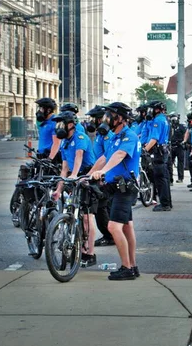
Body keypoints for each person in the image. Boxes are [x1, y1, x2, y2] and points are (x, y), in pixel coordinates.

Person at [91, 102, 141, 280]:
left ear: (120, 118)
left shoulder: (129, 136)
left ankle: (126, 268)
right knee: (127, 227)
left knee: (113, 226)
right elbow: (105, 157)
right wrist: (87, 175)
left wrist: (103, 172)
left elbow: (119, 156)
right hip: (116, 187)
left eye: (110, 115)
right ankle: (133, 266)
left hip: (125, 188)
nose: (106, 119)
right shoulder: (114, 136)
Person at [50, 111, 97, 267]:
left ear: (70, 124)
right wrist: (58, 189)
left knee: (87, 217)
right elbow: (64, 168)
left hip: (87, 176)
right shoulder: (64, 142)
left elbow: (79, 157)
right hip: (73, 177)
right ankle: (76, 244)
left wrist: (76, 174)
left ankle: (89, 253)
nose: (58, 127)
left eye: (61, 123)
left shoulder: (80, 137)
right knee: (71, 210)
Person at [85, 105, 115, 247]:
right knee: (103, 207)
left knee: (102, 207)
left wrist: (99, 173)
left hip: (104, 175)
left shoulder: (107, 135)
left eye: (94, 119)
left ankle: (109, 236)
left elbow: (107, 156)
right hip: (99, 173)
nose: (91, 121)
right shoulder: (100, 134)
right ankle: (110, 234)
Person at [143, 101, 172, 211]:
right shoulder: (163, 119)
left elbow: (154, 138)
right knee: (164, 177)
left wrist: (145, 150)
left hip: (158, 151)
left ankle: (164, 204)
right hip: (162, 150)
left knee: (160, 178)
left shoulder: (158, 120)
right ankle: (167, 202)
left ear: (157, 109)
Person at [168, 113, 186, 184]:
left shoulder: (181, 127)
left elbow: (185, 134)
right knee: (170, 163)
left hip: (179, 146)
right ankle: (170, 179)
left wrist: (184, 142)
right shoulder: (169, 127)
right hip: (171, 146)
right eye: (172, 119)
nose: (174, 121)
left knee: (180, 163)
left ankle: (180, 178)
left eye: (175, 119)